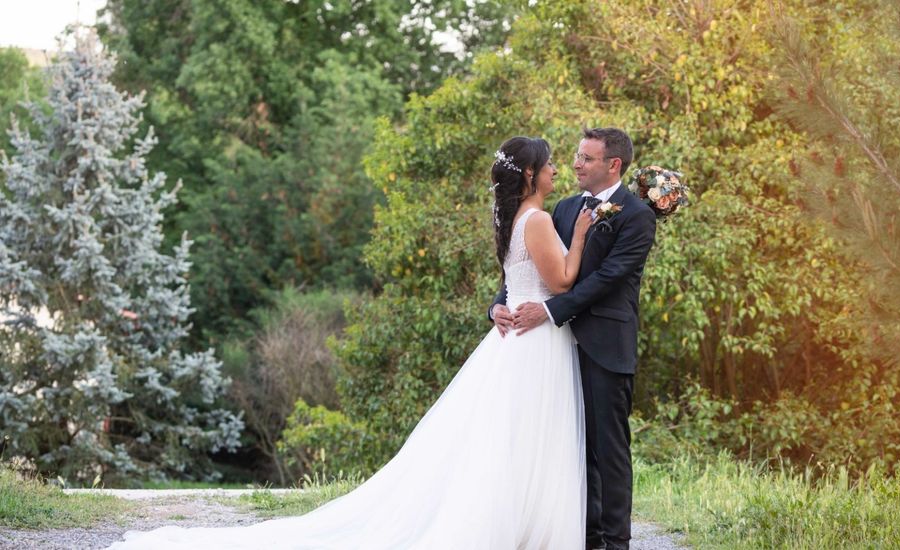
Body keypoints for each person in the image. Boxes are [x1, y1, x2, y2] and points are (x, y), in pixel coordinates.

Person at [107, 136, 592, 550]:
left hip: (515, 339)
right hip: (533, 341)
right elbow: (564, 280)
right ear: (530, 173)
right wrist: (586, 234)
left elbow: (519, 282)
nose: (556, 170)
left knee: (508, 438)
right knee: (528, 434)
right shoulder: (540, 221)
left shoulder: (511, 221)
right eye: (549, 164)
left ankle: (516, 523)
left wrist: (497, 306)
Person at [492, 128, 656, 550]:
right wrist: (497, 304)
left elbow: (608, 277)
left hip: (604, 344)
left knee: (609, 450)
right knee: (569, 445)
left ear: (613, 165)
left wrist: (549, 311)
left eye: (586, 158)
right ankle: (584, 537)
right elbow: (532, 266)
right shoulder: (563, 209)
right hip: (556, 348)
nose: (575, 164)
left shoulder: (636, 215)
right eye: (576, 156)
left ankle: (616, 543)